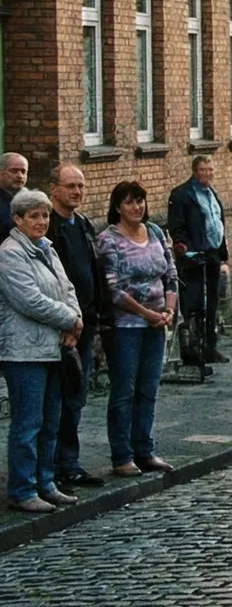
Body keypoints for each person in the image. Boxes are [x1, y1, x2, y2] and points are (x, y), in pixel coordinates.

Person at [0, 189, 85, 513]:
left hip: (52, 347)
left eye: (45, 215)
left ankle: (45, 482)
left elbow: (67, 288)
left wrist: (74, 319)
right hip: (24, 352)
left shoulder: (46, 248)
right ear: (17, 219)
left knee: (51, 419)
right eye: (33, 216)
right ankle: (23, 489)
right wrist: (69, 320)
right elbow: (29, 300)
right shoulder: (10, 254)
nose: (41, 221)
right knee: (28, 423)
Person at [99, 180, 178, 477]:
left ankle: (145, 449)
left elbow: (170, 273)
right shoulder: (109, 240)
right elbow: (114, 289)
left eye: (140, 201)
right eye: (130, 202)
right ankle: (122, 455)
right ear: (118, 206)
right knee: (124, 389)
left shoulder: (155, 232)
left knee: (149, 388)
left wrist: (168, 310)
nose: (137, 207)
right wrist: (147, 313)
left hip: (158, 324)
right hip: (127, 325)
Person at [47, 165, 108, 489]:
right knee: (56, 398)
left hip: (85, 323)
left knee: (76, 396)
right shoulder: (48, 226)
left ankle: (69, 463)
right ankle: (53, 467)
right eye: (70, 186)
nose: (77, 192)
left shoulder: (83, 224)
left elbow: (94, 272)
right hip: (59, 329)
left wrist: (97, 314)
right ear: (53, 188)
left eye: (81, 187)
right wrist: (64, 321)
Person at [167, 156, 229, 367]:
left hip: (212, 252)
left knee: (212, 302)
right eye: (203, 170)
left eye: (210, 170)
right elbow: (176, 225)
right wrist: (182, 244)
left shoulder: (212, 193)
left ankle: (210, 347)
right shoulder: (182, 194)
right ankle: (193, 350)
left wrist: (222, 254)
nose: (207, 174)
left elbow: (217, 222)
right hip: (194, 255)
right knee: (193, 303)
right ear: (195, 171)